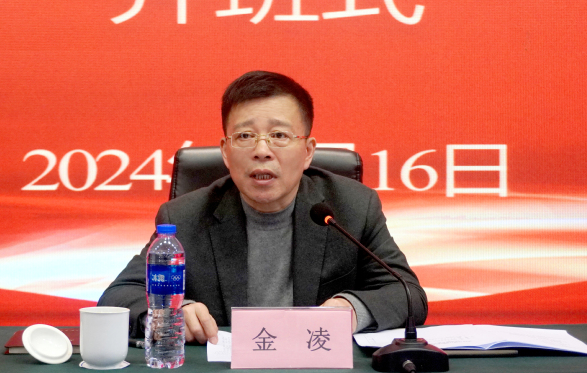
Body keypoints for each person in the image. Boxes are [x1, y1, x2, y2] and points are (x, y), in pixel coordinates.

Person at [98, 71, 427, 344]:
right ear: (226, 152)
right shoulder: (185, 217)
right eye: (245, 136)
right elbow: (119, 295)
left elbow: (407, 293)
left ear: (308, 151)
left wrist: (351, 309)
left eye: (279, 135)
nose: (262, 150)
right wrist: (170, 312)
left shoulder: (351, 207)